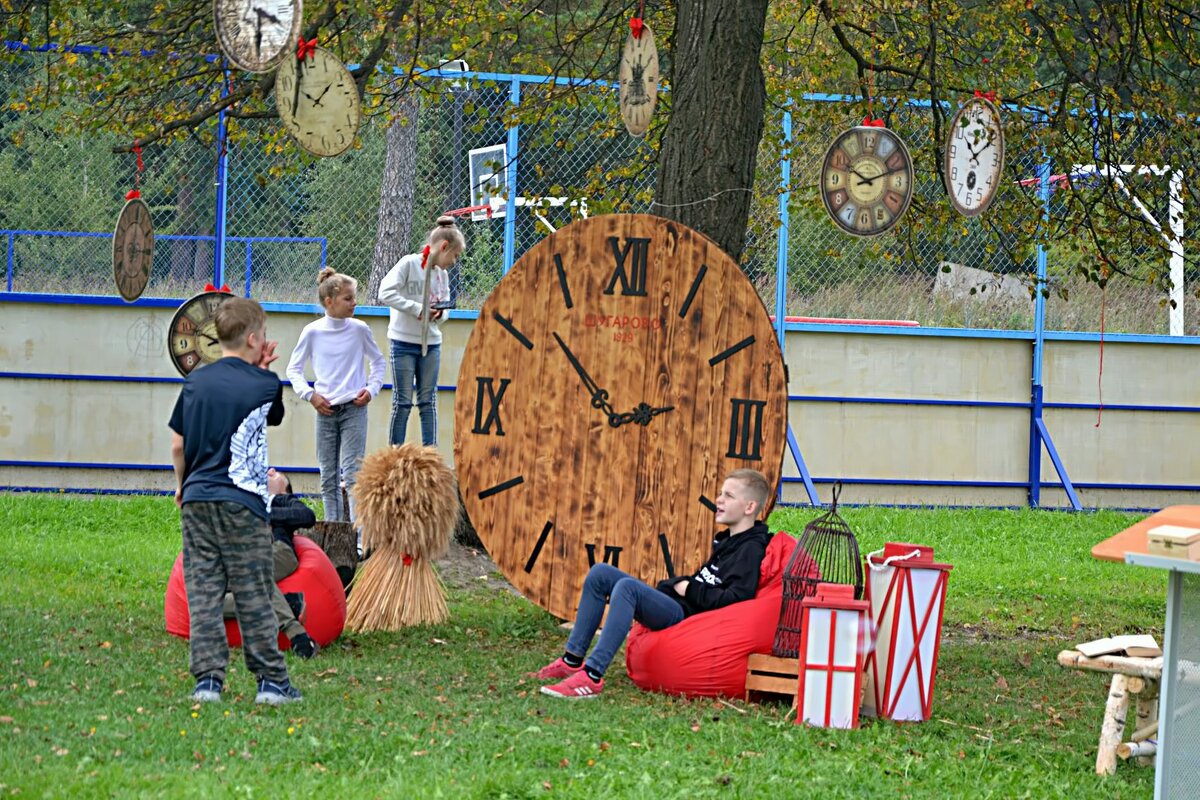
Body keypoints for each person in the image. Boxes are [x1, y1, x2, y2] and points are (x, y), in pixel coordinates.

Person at [535, 468, 774, 699]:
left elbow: (736, 600)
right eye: (721, 493)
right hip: (678, 603)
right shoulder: (728, 540)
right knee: (600, 574)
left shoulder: (750, 549)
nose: (719, 500)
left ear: (749, 507)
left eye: (728, 496)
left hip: (686, 617)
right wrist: (678, 585)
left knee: (627, 589)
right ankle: (571, 661)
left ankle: (592, 675)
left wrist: (689, 588)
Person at [168, 296, 302, 705]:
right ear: (254, 338)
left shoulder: (194, 382)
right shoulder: (265, 383)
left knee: (204, 590)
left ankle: (207, 682)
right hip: (242, 501)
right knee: (253, 590)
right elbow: (273, 415)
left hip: (198, 499)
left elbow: (178, 444)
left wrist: (182, 485)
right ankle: (272, 683)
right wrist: (263, 371)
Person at [285, 268, 385, 526]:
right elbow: (293, 369)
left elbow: (378, 362)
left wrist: (371, 389)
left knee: (353, 475)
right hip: (325, 410)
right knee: (328, 475)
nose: (355, 303)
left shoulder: (360, 329)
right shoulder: (312, 331)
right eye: (348, 298)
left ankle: (359, 538)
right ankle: (334, 530)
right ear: (329, 301)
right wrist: (310, 395)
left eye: (354, 297)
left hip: (354, 409)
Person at [377, 215, 465, 446]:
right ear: (444, 247)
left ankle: (430, 453)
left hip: (431, 344)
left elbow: (444, 308)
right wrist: (417, 309)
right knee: (403, 402)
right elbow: (385, 292)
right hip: (403, 343)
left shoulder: (442, 275)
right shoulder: (409, 263)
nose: (454, 261)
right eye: (454, 255)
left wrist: (439, 314)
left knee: (428, 401)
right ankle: (395, 452)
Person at [221, 468, 319, 659]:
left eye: (274, 474)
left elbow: (307, 516)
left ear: (285, 490)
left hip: (277, 551)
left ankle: (297, 635)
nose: (269, 470)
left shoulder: (283, 501)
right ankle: (289, 604)